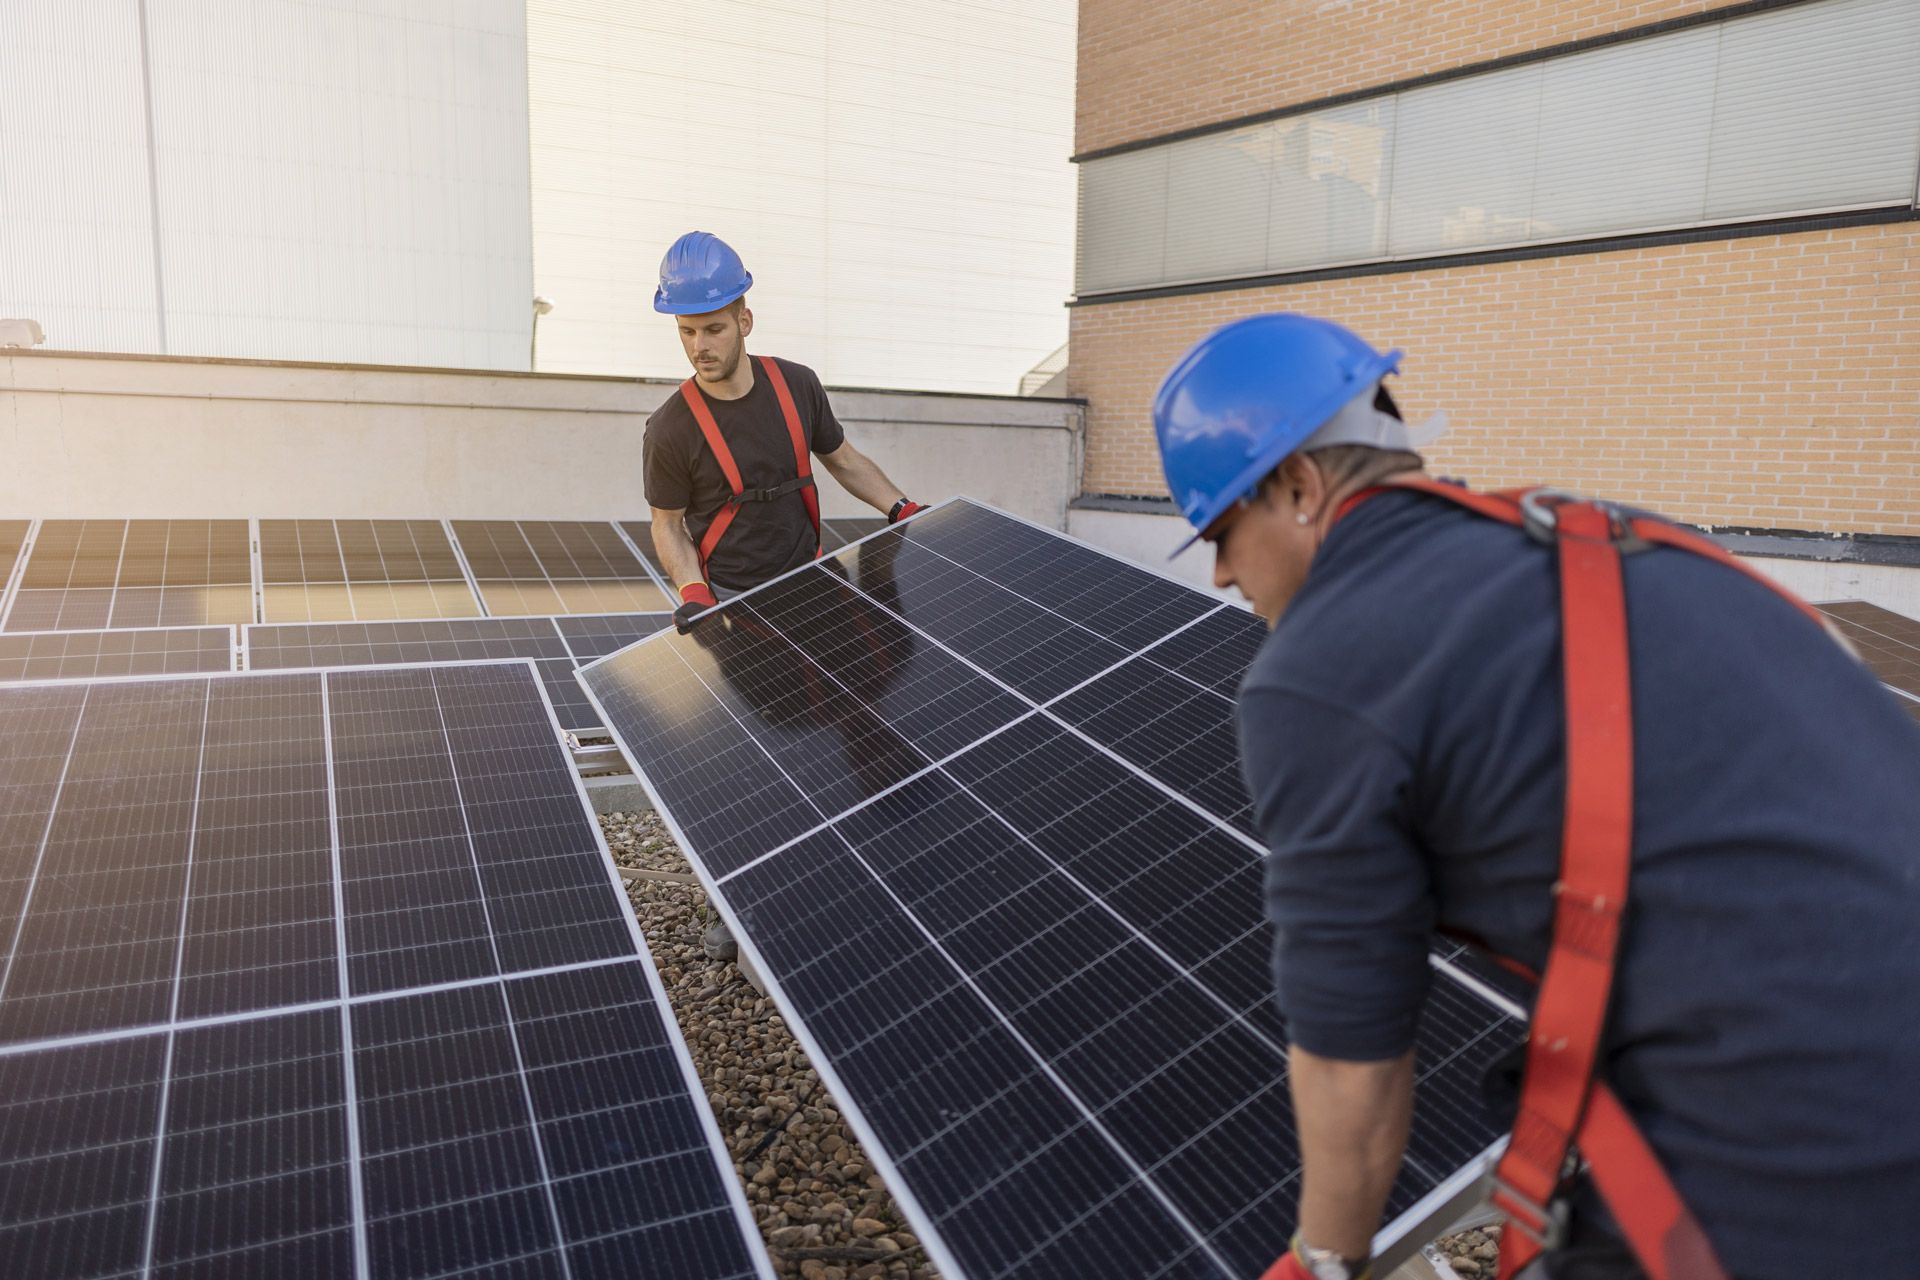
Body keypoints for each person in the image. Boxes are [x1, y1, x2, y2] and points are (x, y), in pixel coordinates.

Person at [1150, 313, 1920, 1280]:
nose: (1220, 574)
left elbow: (1355, 1058)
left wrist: (1322, 1261)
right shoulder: (1610, 540)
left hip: (1815, 1168)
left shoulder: (1321, 673)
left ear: (1299, 488)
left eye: (1222, 530)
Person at [643, 231, 924, 632]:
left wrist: (902, 509)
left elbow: (842, 460)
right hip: (738, 606)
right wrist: (693, 591)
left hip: (817, 581)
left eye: (714, 329)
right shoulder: (669, 428)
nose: (699, 347)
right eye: (687, 331)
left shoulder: (797, 384)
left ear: (745, 321)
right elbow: (667, 523)